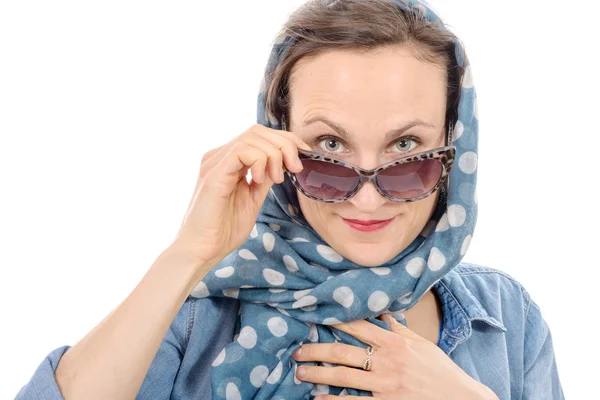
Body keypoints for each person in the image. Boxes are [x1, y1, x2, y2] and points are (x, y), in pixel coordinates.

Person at [15, 0, 564, 399]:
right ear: (280, 139)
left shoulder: (508, 321)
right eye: (329, 148)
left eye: (406, 149)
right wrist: (187, 255)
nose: (368, 200)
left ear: (453, 150)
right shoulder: (194, 321)